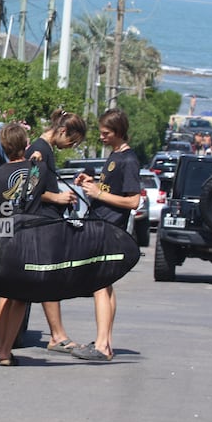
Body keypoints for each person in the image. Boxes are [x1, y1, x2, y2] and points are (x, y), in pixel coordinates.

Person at [73, 108, 140, 361]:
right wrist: (91, 183)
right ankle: (105, 341)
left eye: (106, 132)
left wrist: (99, 195)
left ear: (119, 132)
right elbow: (111, 189)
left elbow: (133, 201)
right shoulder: (114, 156)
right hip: (100, 223)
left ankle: (101, 345)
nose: (102, 136)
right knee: (105, 285)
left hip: (110, 228)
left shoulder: (129, 160)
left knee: (100, 284)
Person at [0, 123, 48, 366]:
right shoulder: (38, 168)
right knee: (20, 297)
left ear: (3, 147)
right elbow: (39, 168)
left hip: (3, 235)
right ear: (26, 144)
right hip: (29, 236)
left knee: (4, 294)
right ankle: (7, 351)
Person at [25, 109, 87, 354]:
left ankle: (56, 334)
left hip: (47, 221)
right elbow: (30, 189)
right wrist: (59, 198)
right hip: (41, 222)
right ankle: (57, 336)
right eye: (71, 140)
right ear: (62, 131)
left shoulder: (46, 149)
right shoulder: (39, 151)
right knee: (48, 278)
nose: (70, 146)